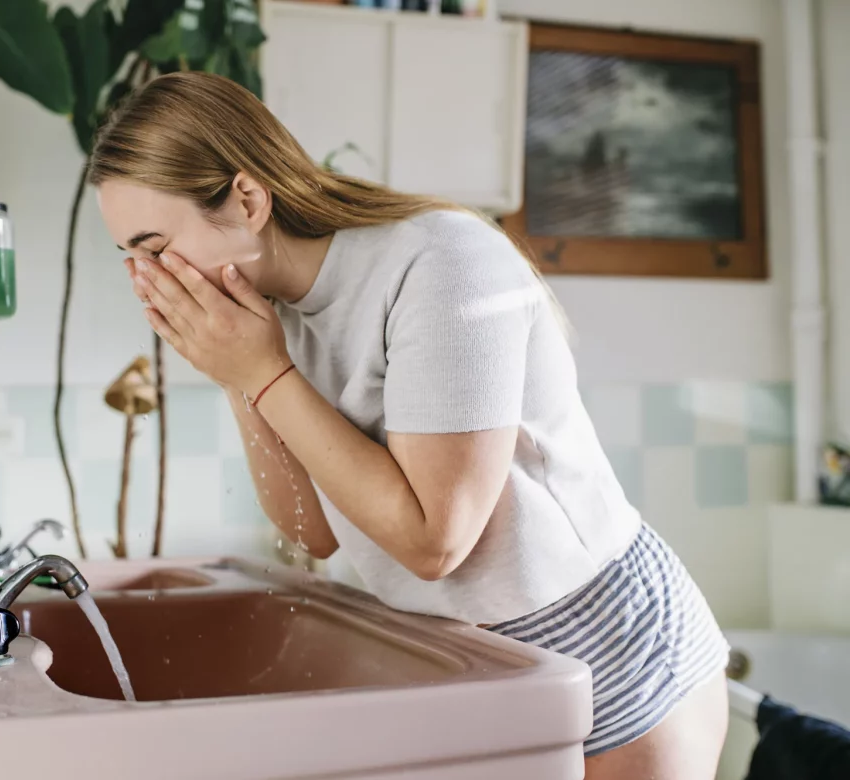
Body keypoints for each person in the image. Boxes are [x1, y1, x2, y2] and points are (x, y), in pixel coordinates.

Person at [89, 71, 730, 780]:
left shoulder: (441, 262)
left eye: (154, 247)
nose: (147, 279)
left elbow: (436, 541)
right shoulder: (274, 317)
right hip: (479, 663)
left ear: (245, 200)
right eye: (133, 257)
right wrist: (245, 379)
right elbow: (312, 532)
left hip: (611, 650)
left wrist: (263, 374)